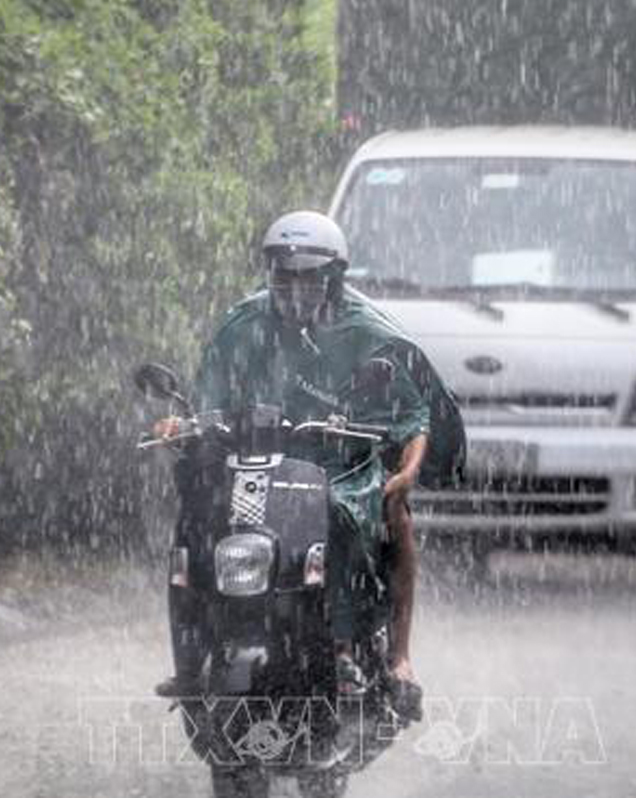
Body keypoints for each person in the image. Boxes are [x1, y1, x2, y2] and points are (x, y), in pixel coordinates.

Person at [153, 210, 463, 717]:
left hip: (342, 469)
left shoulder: (368, 333)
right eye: (284, 274)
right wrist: (178, 426)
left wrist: (406, 472)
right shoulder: (241, 327)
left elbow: (414, 417)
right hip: (254, 466)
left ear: (333, 278)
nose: (295, 288)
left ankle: (387, 654)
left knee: (382, 515)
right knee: (196, 522)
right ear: (268, 272)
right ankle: (194, 657)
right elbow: (204, 406)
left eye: (308, 277)